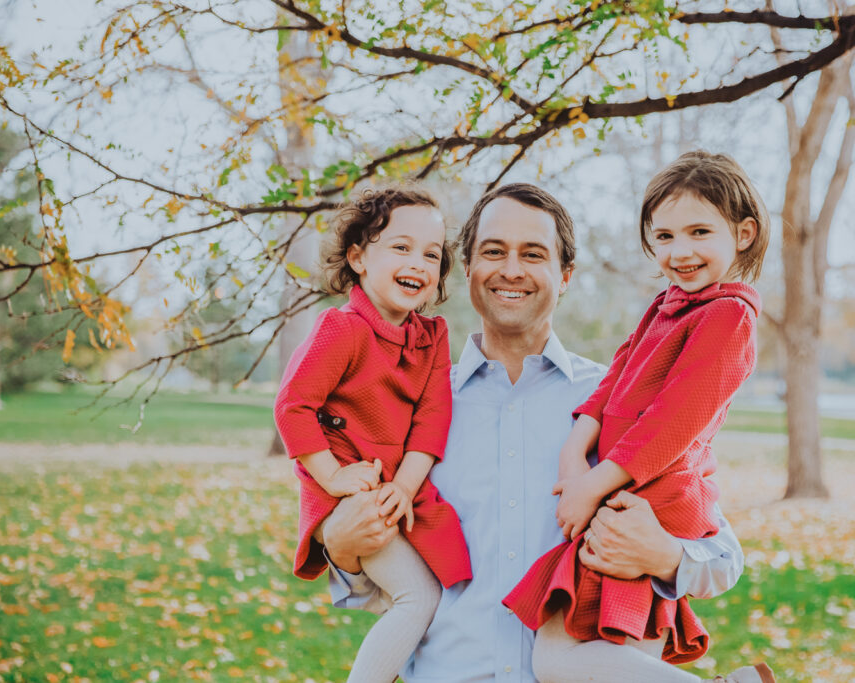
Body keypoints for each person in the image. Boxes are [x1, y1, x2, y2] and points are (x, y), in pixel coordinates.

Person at [318, 183, 749, 682]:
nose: (511, 270)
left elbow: (723, 558)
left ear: (565, 275)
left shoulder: (625, 402)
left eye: (533, 254)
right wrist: (342, 548)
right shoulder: (411, 407)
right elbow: (393, 590)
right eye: (493, 251)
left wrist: (666, 556)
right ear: (467, 269)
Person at [503, 151, 775, 683]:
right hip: (621, 491)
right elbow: (616, 376)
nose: (681, 251)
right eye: (665, 237)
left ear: (743, 233)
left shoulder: (729, 316)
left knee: (565, 660)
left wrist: (592, 485)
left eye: (700, 232)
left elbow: (672, 423)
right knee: (583, 659)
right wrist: (574, 449)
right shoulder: (667, 304)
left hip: (652, 501)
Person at [273, 187, 471, 683]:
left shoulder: (432, 338)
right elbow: (293, 407)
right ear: (359, 257)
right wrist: (335, 478)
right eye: (401, 248)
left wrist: (404, 486)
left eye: (431, 254)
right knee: (417, 597)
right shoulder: (342, 330)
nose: (418, 263)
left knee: (443, 589)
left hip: (396, 489)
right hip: (345, 491)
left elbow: (432, 419)